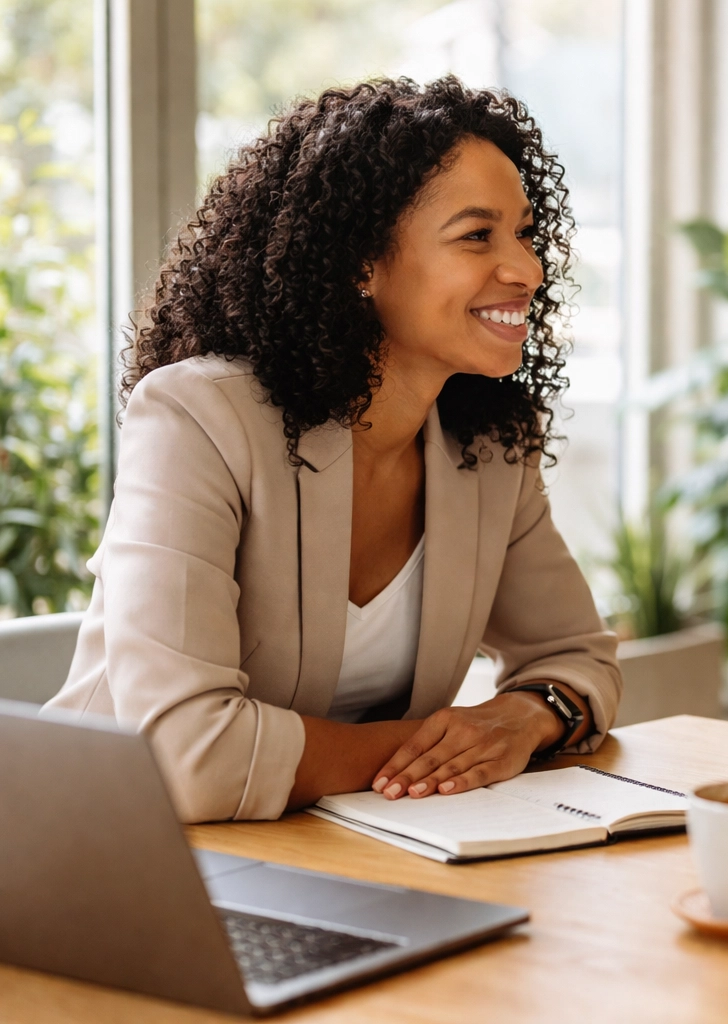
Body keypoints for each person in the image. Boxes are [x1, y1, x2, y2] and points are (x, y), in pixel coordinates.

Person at [48, 77, 621, 825]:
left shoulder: (489, 450)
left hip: (341, 850)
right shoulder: (198, 418)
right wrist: (442, 747)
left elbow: (579, 657)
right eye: (477, 236)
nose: (527, 269)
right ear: (361, 263)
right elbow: (187, 754)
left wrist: (523, 718)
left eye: (525, 233)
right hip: (115, 848)